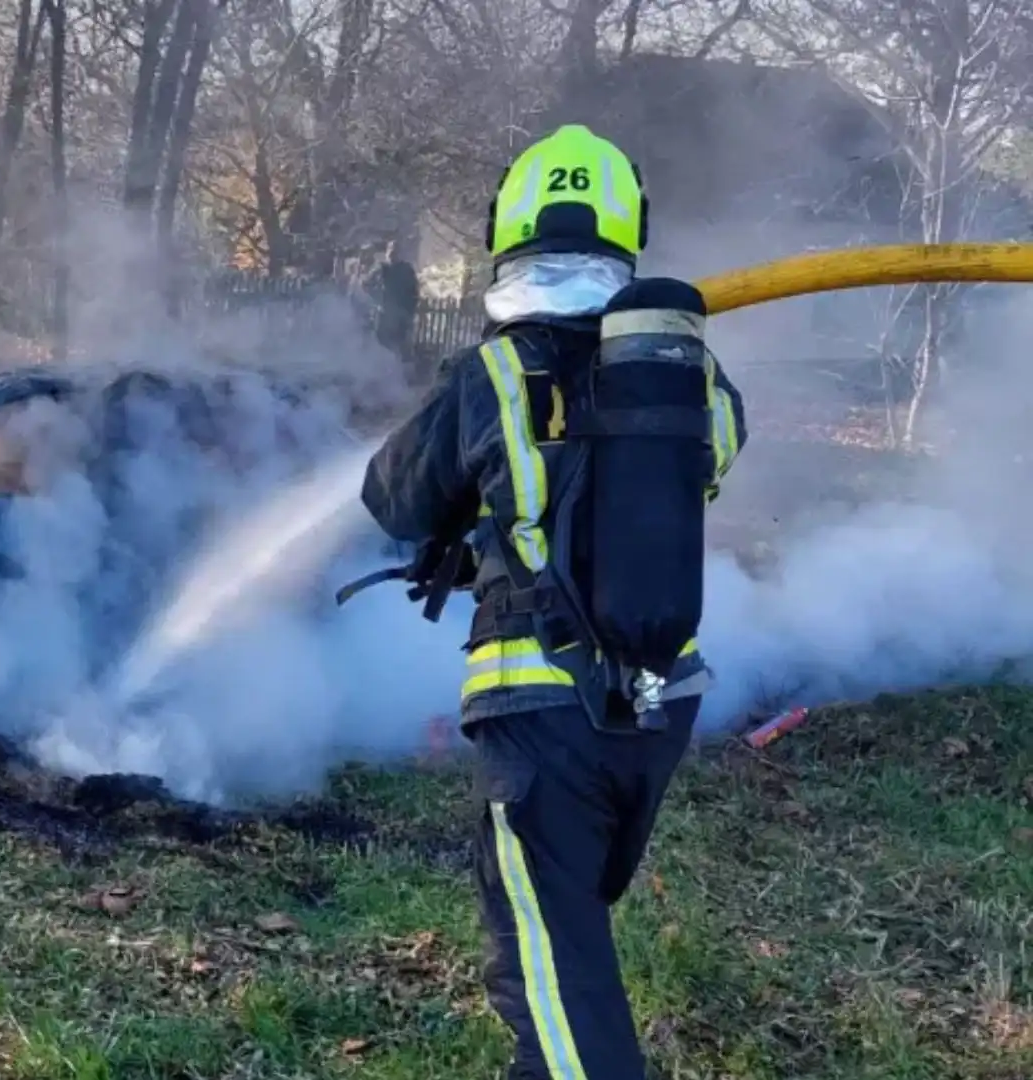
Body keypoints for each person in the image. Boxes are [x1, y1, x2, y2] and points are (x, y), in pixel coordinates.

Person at [357, 124, 747, 1079]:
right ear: (627, 226)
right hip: (658, 706)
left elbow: (393, 500)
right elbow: (723, 451)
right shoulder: (683, 371)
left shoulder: (490, 374)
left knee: (548, 982)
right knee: (565, 948)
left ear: (508, 226)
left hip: (540, 718)